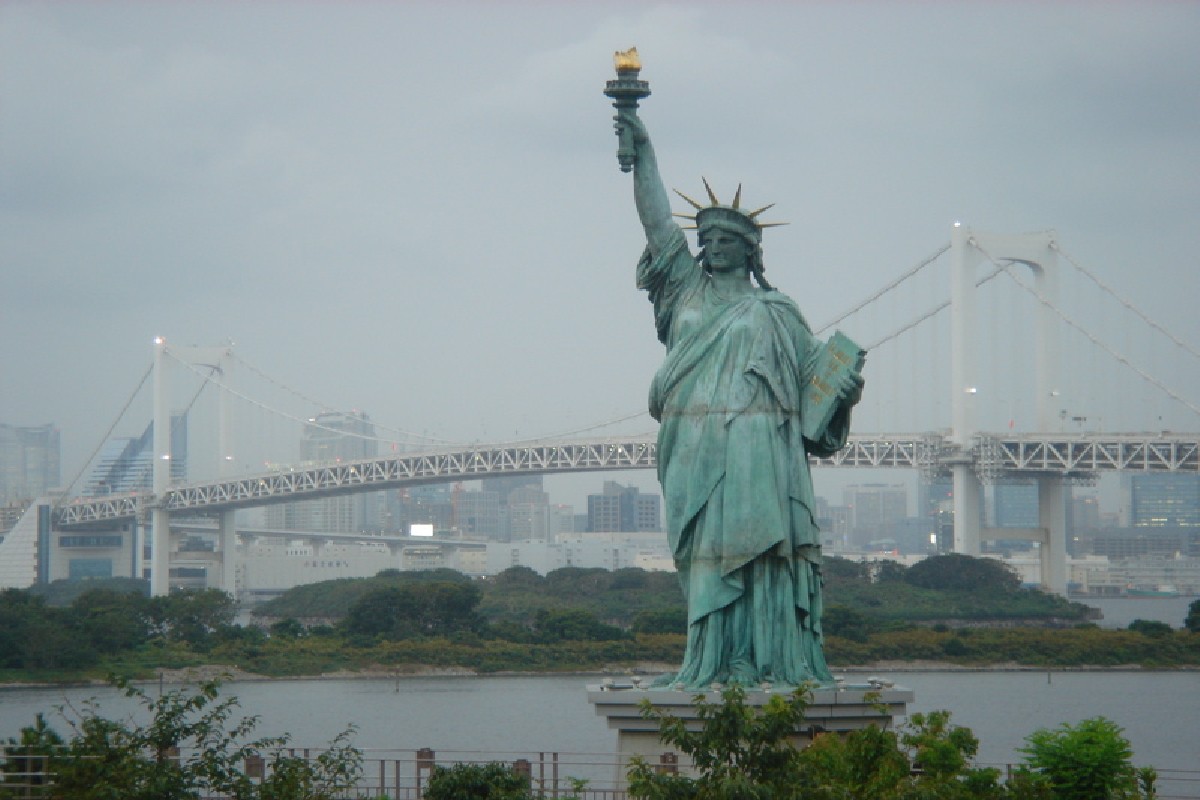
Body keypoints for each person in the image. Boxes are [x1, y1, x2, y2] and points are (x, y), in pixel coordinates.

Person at [615, 108, 864, 689]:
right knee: (704, 556)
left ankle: (768, 658)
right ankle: (710, 661)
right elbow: (656, 224)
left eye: (730, 239)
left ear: (752, 250)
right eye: (709, 239)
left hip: (759, 446)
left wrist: (845, 394)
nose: (717, 246)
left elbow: (812, 399)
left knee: (762, 554)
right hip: (693, 443)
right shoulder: (683, 291)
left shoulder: (778, 312)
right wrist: (644, 147)